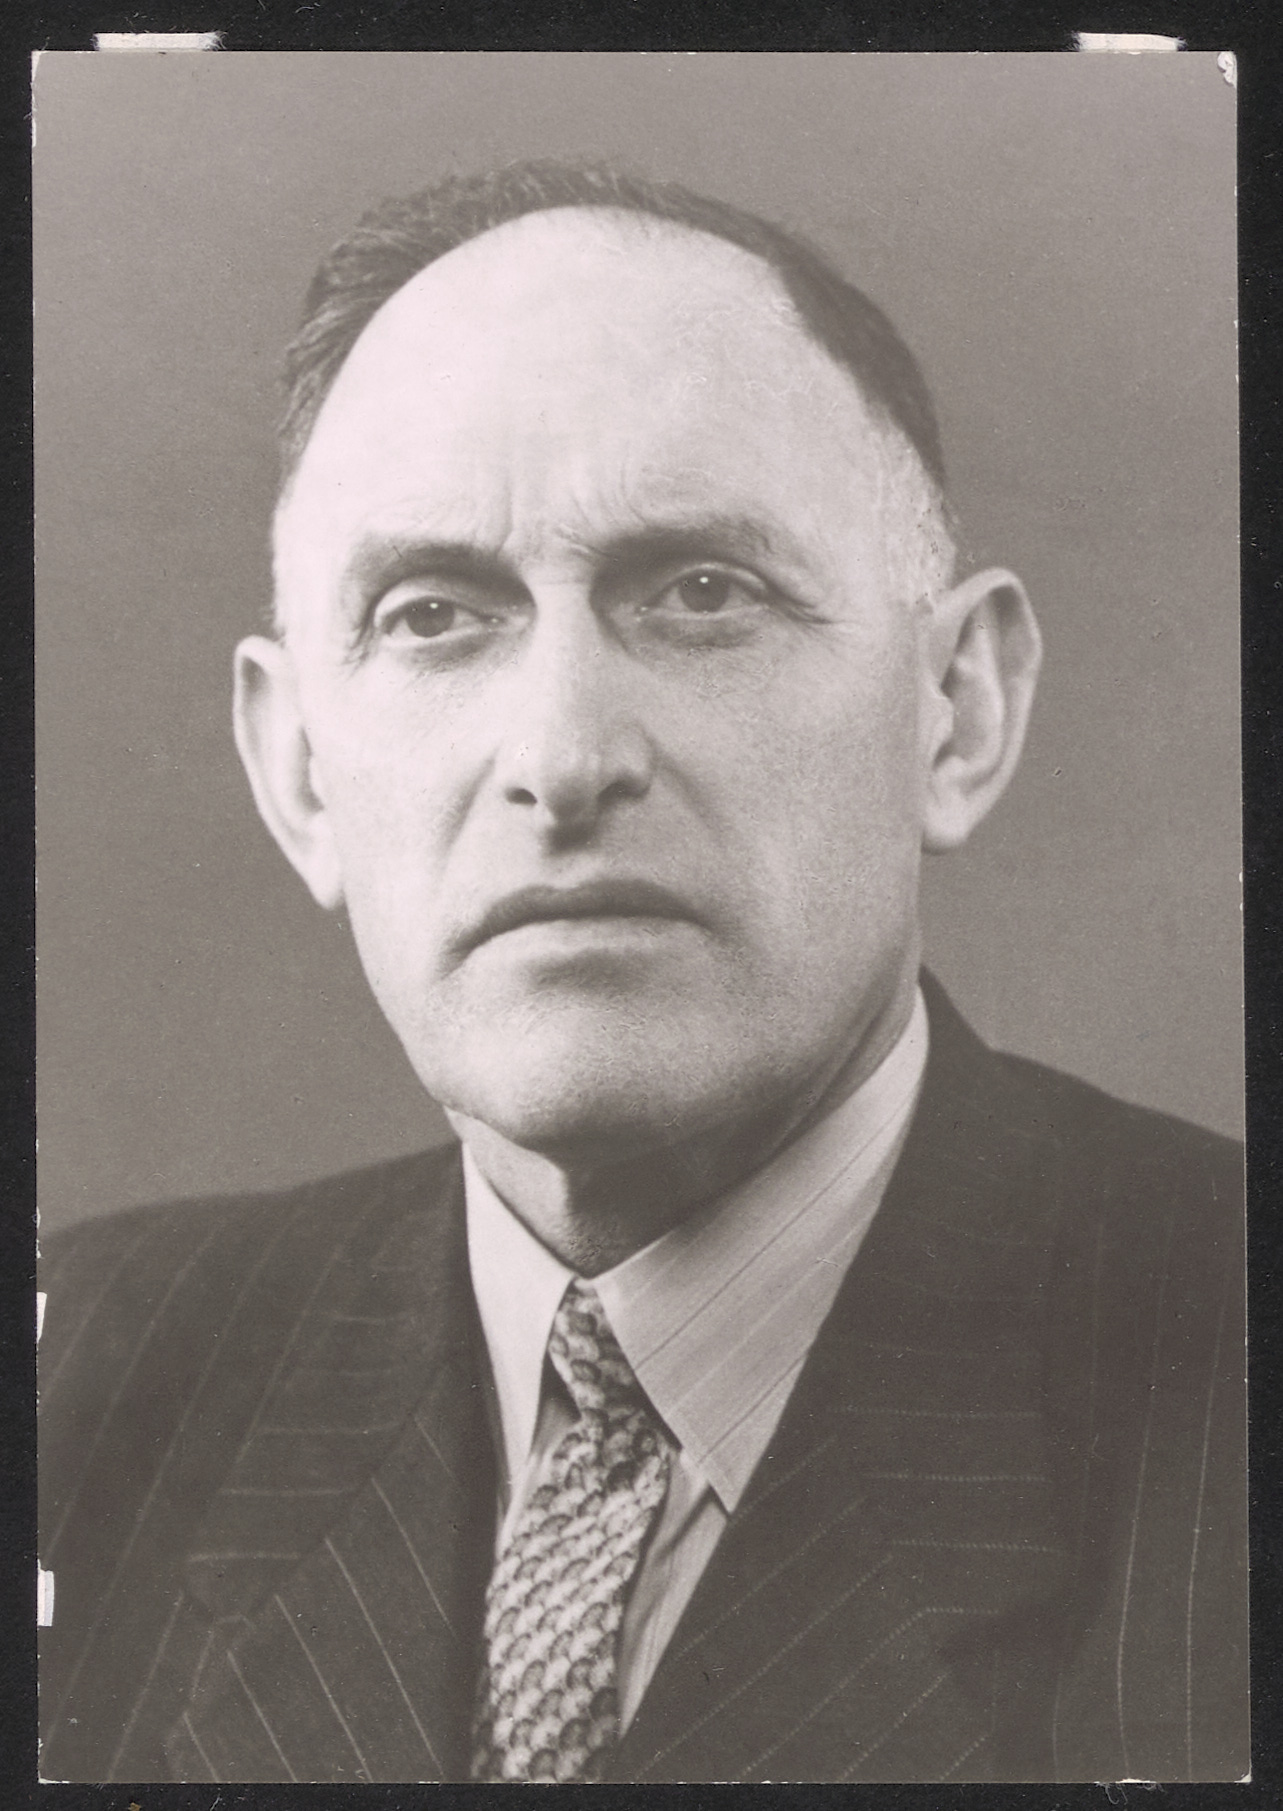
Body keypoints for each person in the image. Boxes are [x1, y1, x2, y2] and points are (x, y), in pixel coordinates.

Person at [37, 161, 1247, 1785]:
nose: (562, 756)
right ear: (300, 773)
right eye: (432, 615)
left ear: (955, 709)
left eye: (701, 594)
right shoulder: (71, 1382)